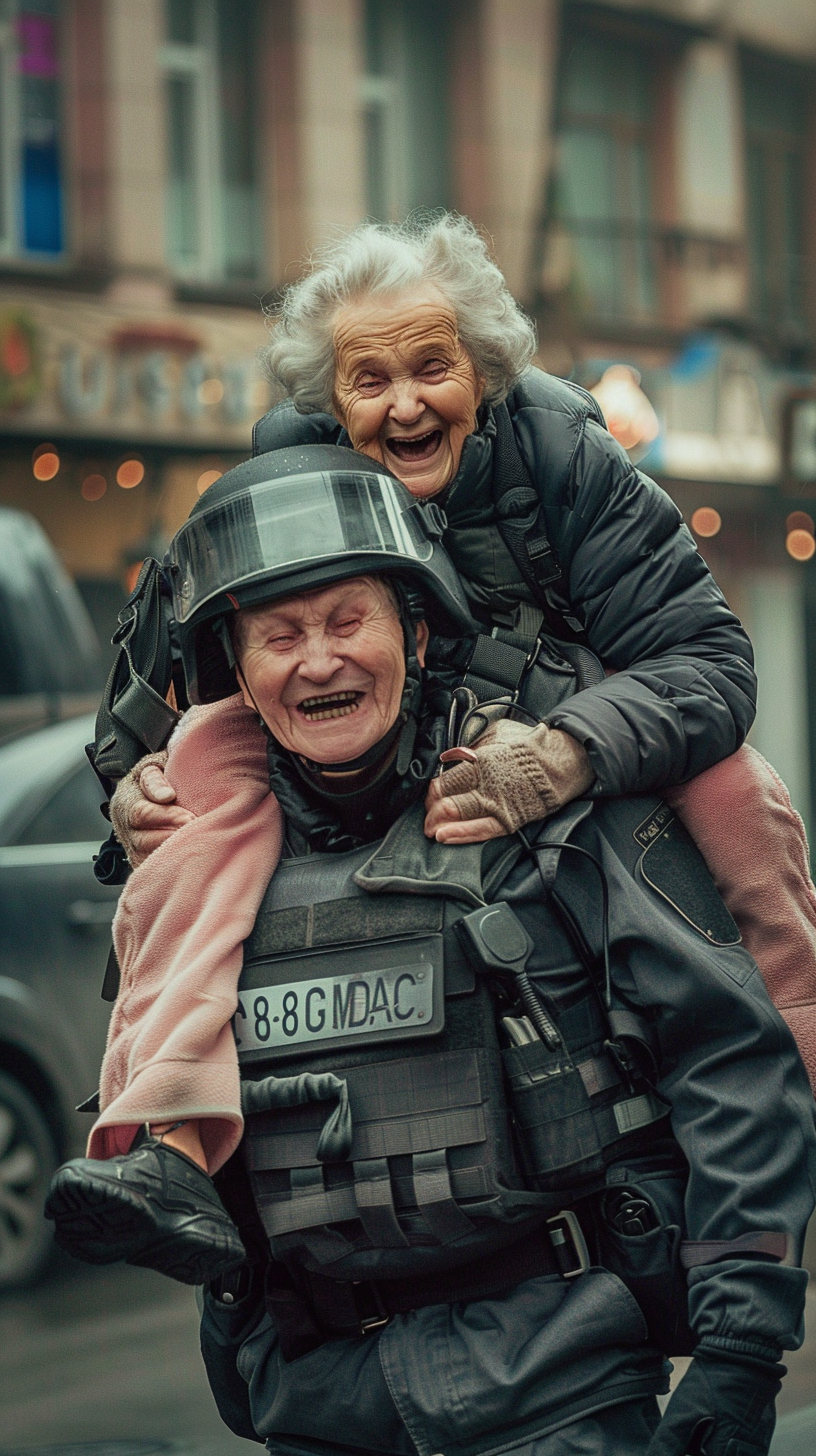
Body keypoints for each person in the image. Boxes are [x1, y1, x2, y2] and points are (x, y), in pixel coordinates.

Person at [53, 450, 816, 1456]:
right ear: (237, 674)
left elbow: (731, 1062)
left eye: (346, 620)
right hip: (315, 1402)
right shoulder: (197, 873)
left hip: (563, 1389)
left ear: (417, 630)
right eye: (279, 635)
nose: (317, 659)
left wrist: (741, 1350)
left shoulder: (548, 810)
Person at [112, 214, 816, 1084]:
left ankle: (796, 1062)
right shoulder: (282, 471)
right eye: (369, 380)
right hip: (377, 721)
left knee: (739, 788)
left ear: (481, 371)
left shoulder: (566, 456)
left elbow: (707, 665)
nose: (404, 405)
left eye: (431, 368)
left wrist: (564, 755)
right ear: (332, 400)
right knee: (198, 765)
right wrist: (138, 782)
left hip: (568, 708)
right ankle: (160, 1120)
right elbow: (200, 672)